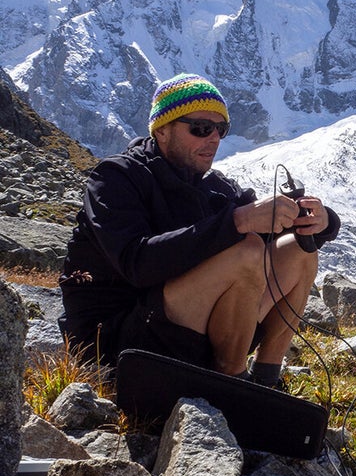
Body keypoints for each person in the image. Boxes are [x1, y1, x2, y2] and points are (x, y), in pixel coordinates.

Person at [60, 73, 340, 386]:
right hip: (116, 341)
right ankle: (233, 384)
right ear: (162, 131)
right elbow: (136, 263)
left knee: (299, 251)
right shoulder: (116, 178)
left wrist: (322, 222)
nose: (214, 139)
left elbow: (270, 234)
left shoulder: (214, 187)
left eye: (221, 129)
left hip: (183, 327)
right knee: (247, 251)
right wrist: (239, 221)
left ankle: (266, 380)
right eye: (202, 129)